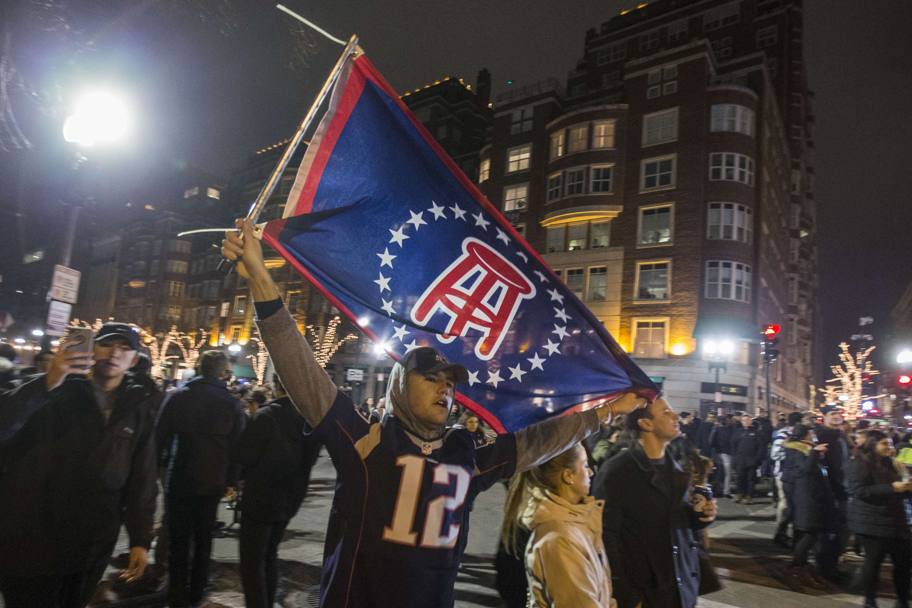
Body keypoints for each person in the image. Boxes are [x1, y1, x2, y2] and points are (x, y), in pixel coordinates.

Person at [221, 218, 648, 608]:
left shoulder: (467, 455)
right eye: (430, 376)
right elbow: (303, 374)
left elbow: (537, 443)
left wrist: (605, 412)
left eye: (450, 380)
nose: (445, 386)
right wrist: (261, 278)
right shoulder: (364, 440)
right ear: (399, 386)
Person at [0, 323, 160, 608]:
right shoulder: (53, 389)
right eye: (107, 344)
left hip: (92, 541)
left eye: (125, 348)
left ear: (134, 360)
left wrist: (140, 539)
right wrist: (49, 380)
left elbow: (142, 477)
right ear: (91, 349)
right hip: (33, 535)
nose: (114, 353)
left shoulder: (137, 406)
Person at [594, 398, 718, 608]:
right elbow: (606, 537)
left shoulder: (675, 467)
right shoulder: (618, 471)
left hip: (679, 588)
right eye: (666, 412)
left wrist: (702, 516)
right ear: (646, 424)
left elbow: (675, 522)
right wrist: (627, 595)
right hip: (647, 592)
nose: (675, 416)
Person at [156, 350, 246, 608]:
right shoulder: (230, 403)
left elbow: (160, 435)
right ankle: (196, 592)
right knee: (203, 538)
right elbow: (237, 447)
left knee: (178, 541)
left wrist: (160, 466)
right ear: (222, 372)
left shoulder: (179, 397)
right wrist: (231, 480)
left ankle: (176, 594)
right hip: (212, 480)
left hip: (180, 477)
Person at [237, 375, 322, 608]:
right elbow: (310, 460)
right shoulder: (308, 421)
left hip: (260, 497)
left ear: (277, 386)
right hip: (290, 498)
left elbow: (244, 456)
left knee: (252, 561)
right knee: (270, 554)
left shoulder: (265, 416)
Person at [500, 443, 615, 608]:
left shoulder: (579, 522)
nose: (591, 472)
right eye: (585, 465)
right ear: (568, 476)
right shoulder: (559, 540)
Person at [847, 429, 912, 608]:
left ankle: (902, 600)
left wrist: (906, 486)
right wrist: (892, 488)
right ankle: (870, 600)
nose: (889, 447)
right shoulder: (859, 463)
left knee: (904, 563)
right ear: (872, 444)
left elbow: (902, 484)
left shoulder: (892, 462)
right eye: (884, 443)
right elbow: (859, 491)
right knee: (873, 563)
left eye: (890, 443)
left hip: (897, 520)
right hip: (872, 522)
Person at [781, 424, 836, 590]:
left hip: (812, 496)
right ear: (805, 435)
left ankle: (802, 570)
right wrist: (814, 453)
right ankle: (793, 569)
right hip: (806, 497)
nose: (814, 436)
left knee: (808, 533)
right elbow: (805, 470)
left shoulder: (805, 449)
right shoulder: (799, 450)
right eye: (811, 434)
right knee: (809, 534)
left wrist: (817, 454)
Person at [814, 405, 851, 580]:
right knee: (830, 530)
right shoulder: (823, 435)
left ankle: (832, 564)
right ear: (824, 417)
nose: (837, 416)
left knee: (840, 529)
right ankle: (826, 568)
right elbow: (820, 465)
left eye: (838, 413)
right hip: (832, 490)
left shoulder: (841, 435)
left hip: (844, 489)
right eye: (832, 414)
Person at [772, 412, 804, 546]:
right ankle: (780, 532)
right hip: (783, 474)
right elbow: (775, 454)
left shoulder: (801, 434)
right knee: (785, 505)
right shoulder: (783, 434)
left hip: (796, 475)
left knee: (794, 505)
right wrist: (793, 454)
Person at [733, 414, 765, 504]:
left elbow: (761, 447)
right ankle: (740, 494)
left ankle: (749, 496)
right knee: (740, 478)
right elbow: (733, 445)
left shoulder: (757, 432)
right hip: (740, 460)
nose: (746, 422)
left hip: (752, 460)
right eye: (743, 420)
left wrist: (757, 459)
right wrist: (735, 458)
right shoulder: (738, 432)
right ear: (741, 422)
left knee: (750, 479)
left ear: (751, 421)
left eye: (747, 420)